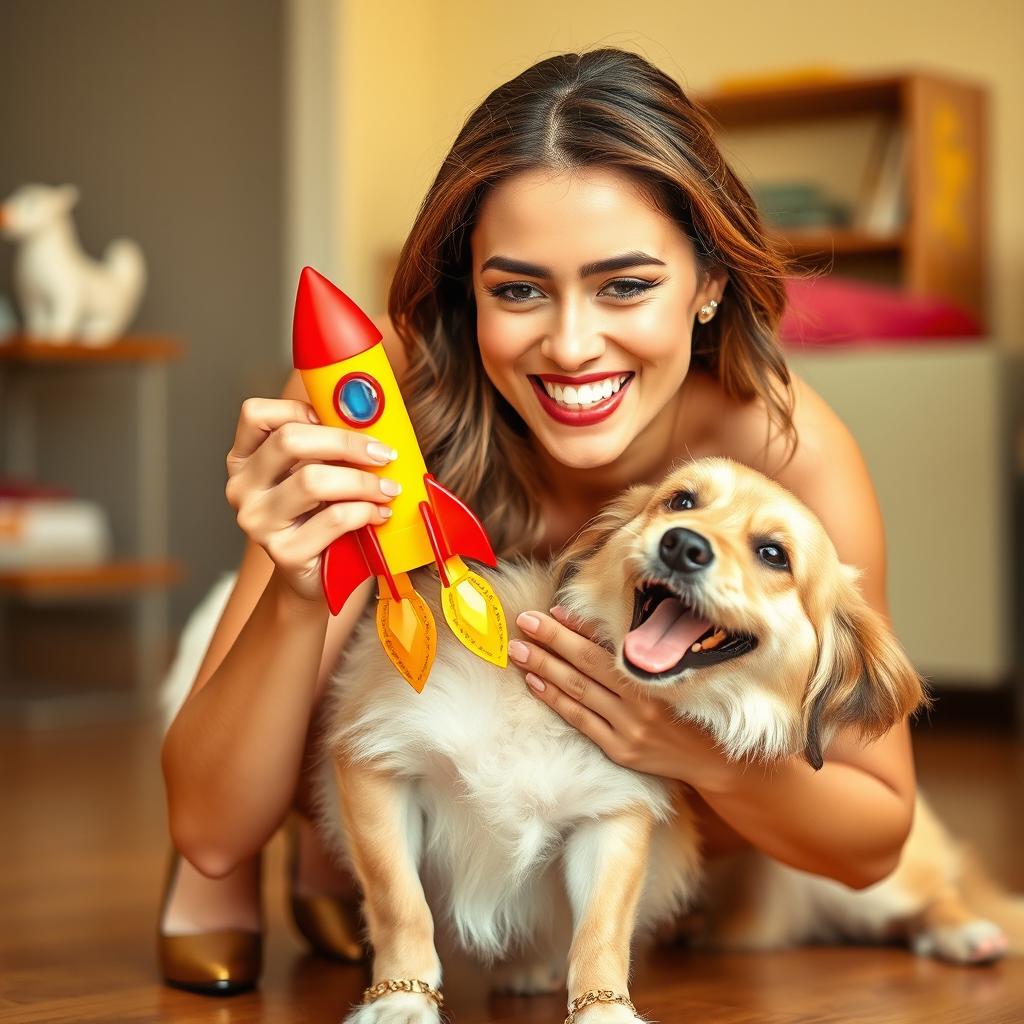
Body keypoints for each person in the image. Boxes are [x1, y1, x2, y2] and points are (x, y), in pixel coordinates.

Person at [159, 47, 917, 994]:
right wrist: (294, 590)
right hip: (399, 753)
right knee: (264, 643)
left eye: (626, 286)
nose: (569, 344)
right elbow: (210, 829)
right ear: (464, 289)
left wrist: (674, 747)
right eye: (516, 290)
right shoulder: (382, 395)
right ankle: (324, 843)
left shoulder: (788, 456)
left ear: (710, 281)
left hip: (600, 833)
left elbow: (874, 839)